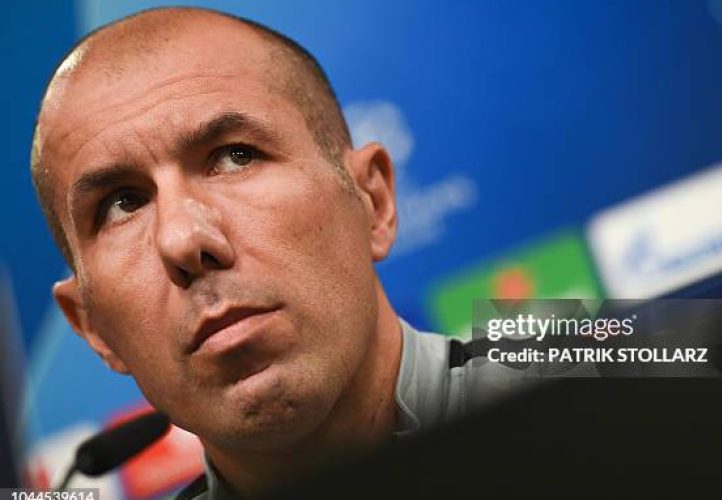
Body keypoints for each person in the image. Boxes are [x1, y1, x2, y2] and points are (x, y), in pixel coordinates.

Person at [30, 6, 533, 499]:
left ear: (372, 200)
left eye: (235, 157)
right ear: (92, 327)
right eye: (123, 204)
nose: (182, 239)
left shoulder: (580, 389)